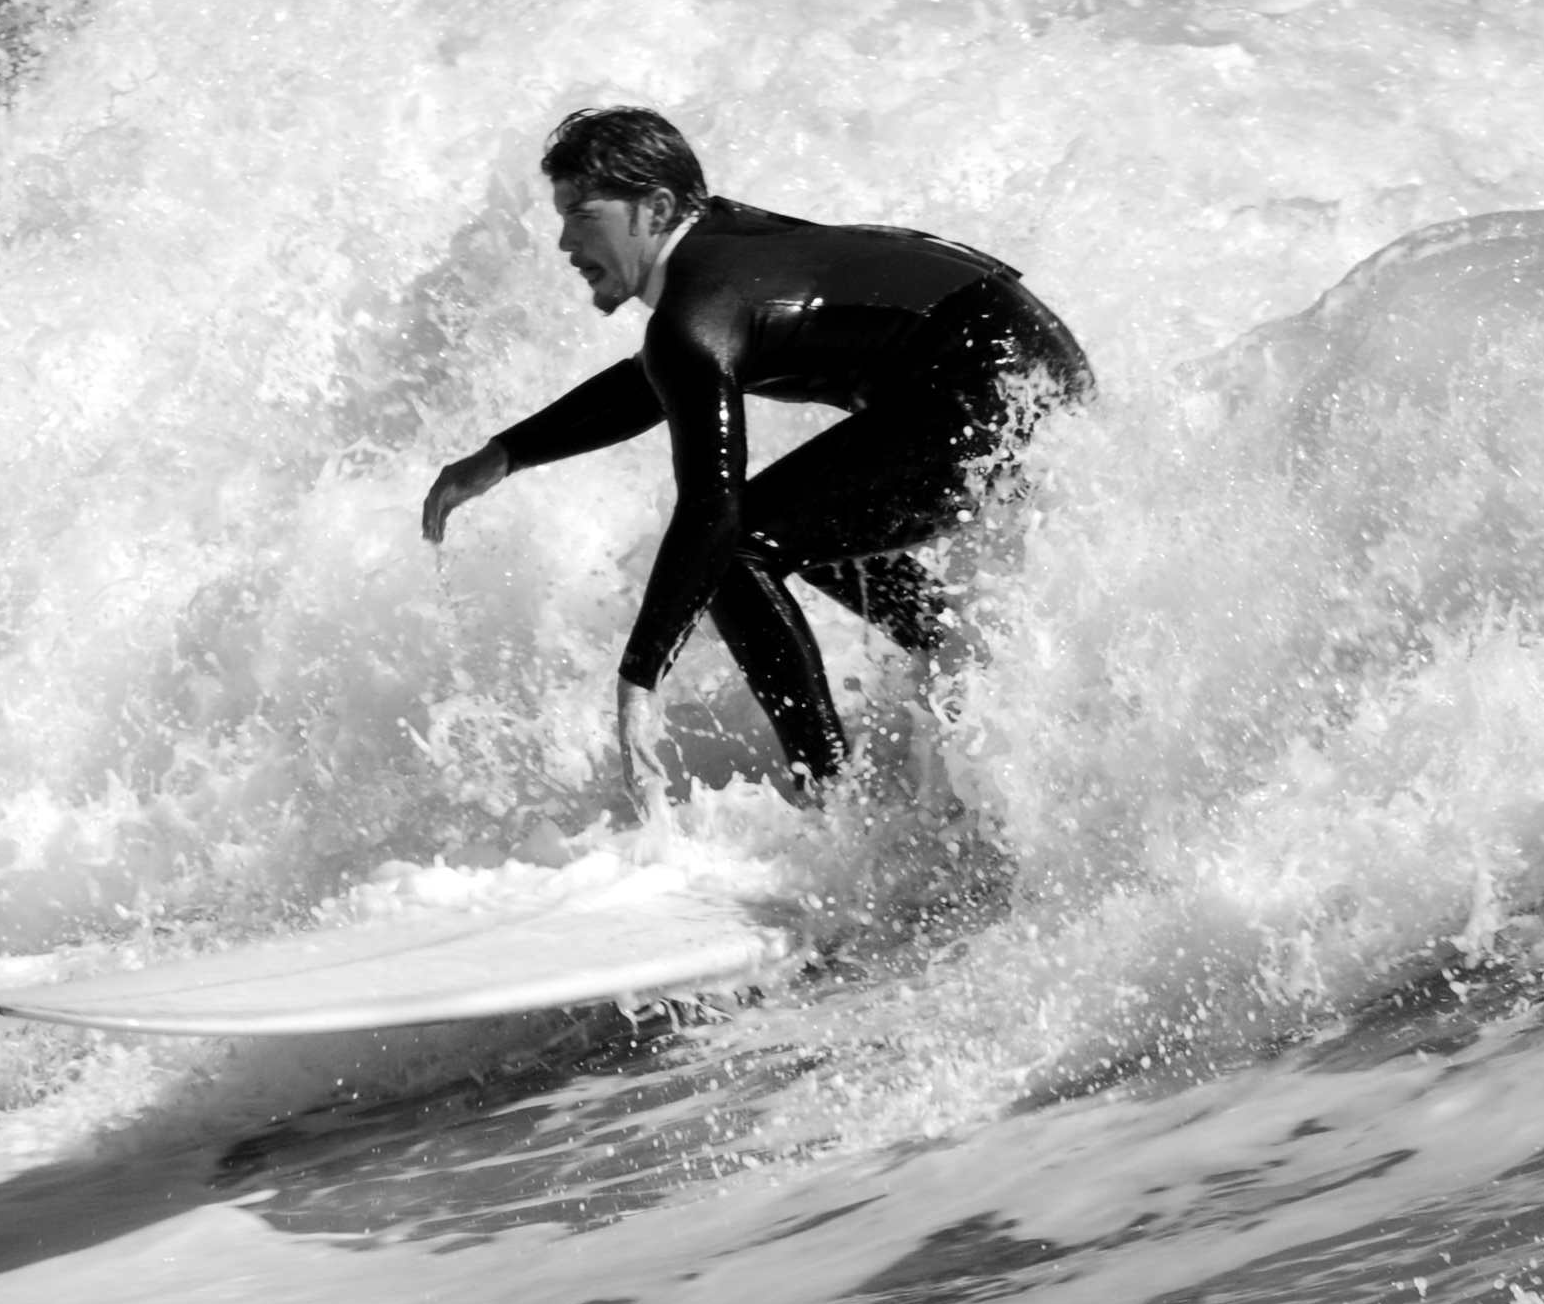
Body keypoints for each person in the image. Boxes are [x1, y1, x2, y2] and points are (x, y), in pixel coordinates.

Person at [422, 107, 1091, 813]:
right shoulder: (719, 248)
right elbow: (663, 377)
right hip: (1027, 373)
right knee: (794, 520)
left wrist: (638, 681)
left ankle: (831, 798)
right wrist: (505, 454)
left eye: (583, 215)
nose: (564, 241)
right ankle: (955, 651)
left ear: (656, 210)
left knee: (739, 550)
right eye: (563, 217)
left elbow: (709, 507)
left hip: (991, 384)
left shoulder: (698, 310)